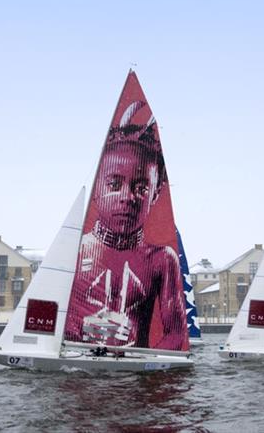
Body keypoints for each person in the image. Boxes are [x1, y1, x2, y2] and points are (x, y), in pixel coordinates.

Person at [64, 100, 186, 351]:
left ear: (156, 193)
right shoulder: (73, 251)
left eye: (141, 188)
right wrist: (82, 330)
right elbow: (47, 319)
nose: (127, 198)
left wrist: (140, 355)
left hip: (132, 374)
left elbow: (176, 334)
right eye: (114, 184)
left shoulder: (162, 259)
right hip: (79, 368)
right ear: (97, 188)